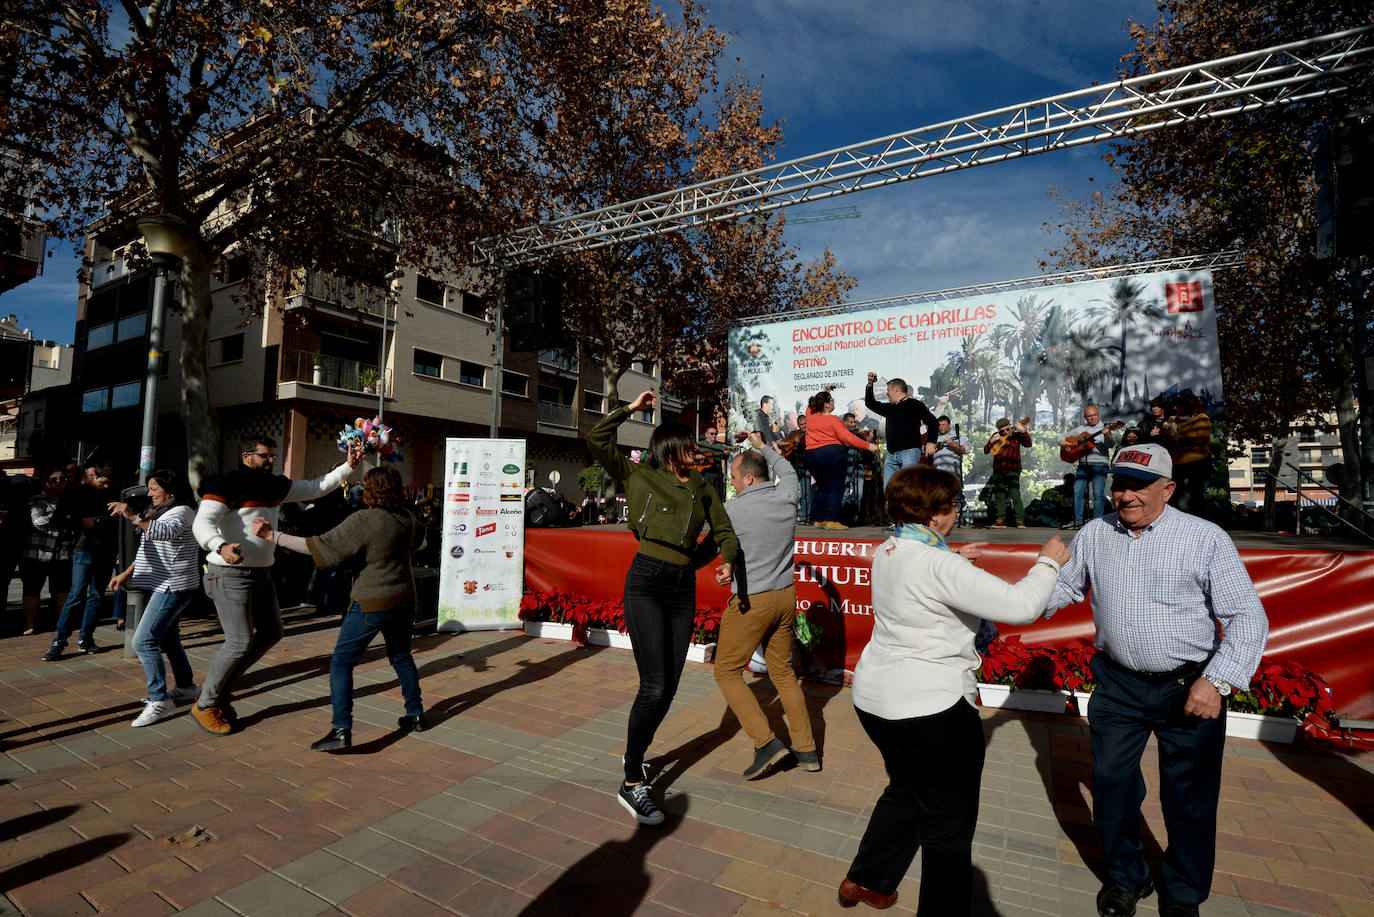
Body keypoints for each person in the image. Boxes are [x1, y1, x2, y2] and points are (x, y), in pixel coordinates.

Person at [1046, 443, 1268, 917]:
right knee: (1110, 785)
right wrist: (1008, 597)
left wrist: (1219, 680)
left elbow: (1247, 615)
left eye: (1139, 486)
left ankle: (1184, 893)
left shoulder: (1204, 538)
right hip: (1118, 685)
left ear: (1167, 489)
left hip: (1188, 687)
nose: (1125, 496)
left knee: (1188, 799)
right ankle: (1128, 877)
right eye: (1119, 484)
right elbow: (1065, 587)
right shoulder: (1095, 532)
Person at [839, 465, 1070, 913]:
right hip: (932, 710)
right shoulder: (936, 562)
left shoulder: (891, 548)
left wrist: (954, 561)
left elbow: (922, 580)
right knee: (948, 829)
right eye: (953, 506)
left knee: (907, 788)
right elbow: (1022, 605)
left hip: (877, 700)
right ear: (938, 515)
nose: (957, 513)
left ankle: (868, 879)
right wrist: (1048, 563)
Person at [586, 390, 739, 826]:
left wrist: (722, 560)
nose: (696, 453)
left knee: (669, 686)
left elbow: (726, 533)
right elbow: (596, 440)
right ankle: (632, 780)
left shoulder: (703, 487)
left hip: (681, 588)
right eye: (689, 448)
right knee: (654, 685)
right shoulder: (639, 477)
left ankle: (634, 758)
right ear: (670, 448)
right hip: (646, 582)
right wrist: (631, 410)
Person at [190, 436, 363, 736]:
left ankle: (220, 692)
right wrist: (220, 547)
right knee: (239, 641)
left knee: (272, 632)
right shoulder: (225, 483)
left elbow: (315, 487)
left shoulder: (274, 484)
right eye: (264, 456)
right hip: (228, 575)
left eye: (272, 456)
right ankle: (206, 704)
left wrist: (348, 467)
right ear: (246, 456)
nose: (270, 461)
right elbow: (202, 523)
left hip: (262, 575)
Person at [252, 465, 427, 751]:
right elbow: (417, 544)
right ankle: (415, 714)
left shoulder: (365, 520)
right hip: (404, 598)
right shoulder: (408, 517)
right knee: (401, 656)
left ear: (370, 490)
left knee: (342, 662)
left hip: (372, 600)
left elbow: (320, 547)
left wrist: (274, 536)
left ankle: (341, 729)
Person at [716, 433, 819, 778]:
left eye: (733, 478)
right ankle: (806, 751)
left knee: (727, 671)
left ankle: (766, 742)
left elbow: (722, 548)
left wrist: (726, 567)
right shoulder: (787, 496)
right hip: (786, 596)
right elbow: (786, 469)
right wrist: (762, 445)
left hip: (751, 602)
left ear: (747, 479)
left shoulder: (731, 510)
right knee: (784, 674)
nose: (731, 484)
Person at [107, 470, 201, 727]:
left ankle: (159, 699)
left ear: (170, 490)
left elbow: (163, 533)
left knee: (143, 641)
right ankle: (186, 687)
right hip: (163, 584)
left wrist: (131, 515)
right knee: (169, 639)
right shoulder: (158, 511)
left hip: (173, 586)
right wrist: (126, 573)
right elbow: (151, 546)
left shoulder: (181, 511)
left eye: (154, 489)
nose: (149, 494)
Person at [42, 460, 117, 660]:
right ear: (93, 476)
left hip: (107, 549)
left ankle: (86, 637)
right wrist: (82, 521)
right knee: (75, 594)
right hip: (84, 547)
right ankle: (59, 640)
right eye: (103, 483)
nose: (107, 487)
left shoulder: (114, 492)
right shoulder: (76, 492)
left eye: (110, 483)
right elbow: (57, 519)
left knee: (97, 595)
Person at [804, 385, 879, 531]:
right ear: (826, 405)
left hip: (811, 456)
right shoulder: (833, 420)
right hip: (831, 454)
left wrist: (826, 391)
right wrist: (868, 446)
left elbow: (812, 405)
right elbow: (847, 437)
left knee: (822, 487)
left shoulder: (810, 415)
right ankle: (832, 520)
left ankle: (819, 520)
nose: (833, 403)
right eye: (831, 400)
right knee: (835, 487)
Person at [863, 372, 943, 487]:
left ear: (896, 389)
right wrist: (870, 384)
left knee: (908, 489)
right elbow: (870, 403)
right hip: (891, 455)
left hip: (909, 453)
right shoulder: (890, 408)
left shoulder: (915, 404)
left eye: (888, 390)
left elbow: (933, 423)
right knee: (889, 490)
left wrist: (931, 442)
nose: (886, 393)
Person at [21, 469, 73, 635]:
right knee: (32, 589)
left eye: (62, 478)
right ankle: (29, 623)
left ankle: (61, 622)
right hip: (37, 553)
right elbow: (39, 522)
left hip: (63, 553)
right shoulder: (37, 499)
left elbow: (77, 522)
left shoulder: (72, 499)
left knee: (62, 589)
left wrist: (53, 517)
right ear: (47, 482)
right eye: (54, 479)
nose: (58, 482)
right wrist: (63, 520)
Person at [1060, 405, 1115, 530]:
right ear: (1085, 417)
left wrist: (1107, 436)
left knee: (1098, 495)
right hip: (1083, 466)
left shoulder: (1105, 429)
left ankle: (1096, 523)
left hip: (1100, 466)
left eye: (1094, 415)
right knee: (1078, 493)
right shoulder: (1081, 429)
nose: (1092, 418)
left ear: (1098, 415)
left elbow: (1111, 444)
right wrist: (1063, 443)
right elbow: (1061, 437)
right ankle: (1078, 522)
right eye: (1089, 416)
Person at [1165, 393, 1212, 516]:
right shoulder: (1173, 420)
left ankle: (1199, 520)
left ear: (1187, 406)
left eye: (1178, 406)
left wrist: (1180, 437)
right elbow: (1169, 438)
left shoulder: (1202, 418)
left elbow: (1201, 439)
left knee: (1197, 494)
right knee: (1174, 493)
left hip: (1198, 463)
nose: (1175, 408)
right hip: (1178, 463)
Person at [983, 417, 1031, 528]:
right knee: (1000, 495)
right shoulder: (996, 435)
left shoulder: (1017, 436)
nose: (1005, 432)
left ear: (1010, 426)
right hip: (998, 470)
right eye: (1002, 431)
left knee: (1015, 494)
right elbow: (986, 450)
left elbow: (1028, 444)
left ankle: (1020, 520)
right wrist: (991, 442)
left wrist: (1023, 431)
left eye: (1007, 429)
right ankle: (1001, 520)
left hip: (1013, 469)